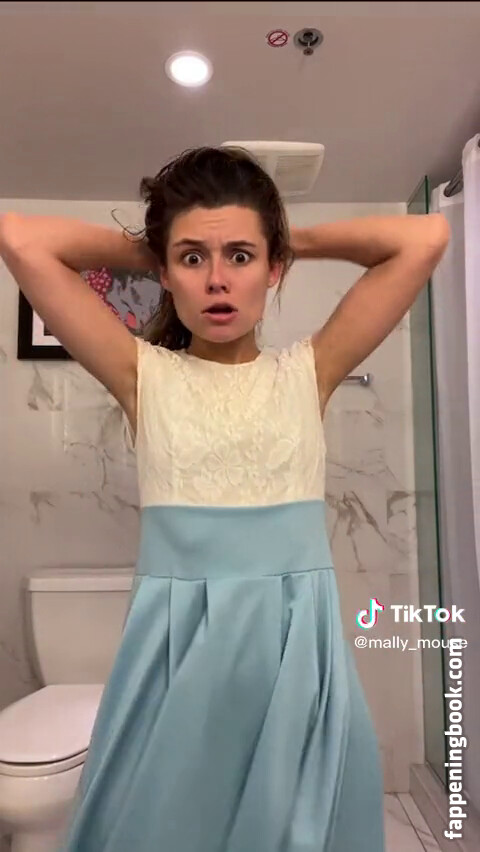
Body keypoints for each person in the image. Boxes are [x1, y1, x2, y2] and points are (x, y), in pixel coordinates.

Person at [0, 146, 450, 852]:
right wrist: (159, 247)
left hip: (293, 651)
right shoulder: (143, 374)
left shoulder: (309, 371)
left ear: (273, 270)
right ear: (164, 271)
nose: (216, 279)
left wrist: (287, 240)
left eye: (241, 257)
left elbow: (425, 237)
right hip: (179, 656)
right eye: (192, 259)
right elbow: (19, 237)